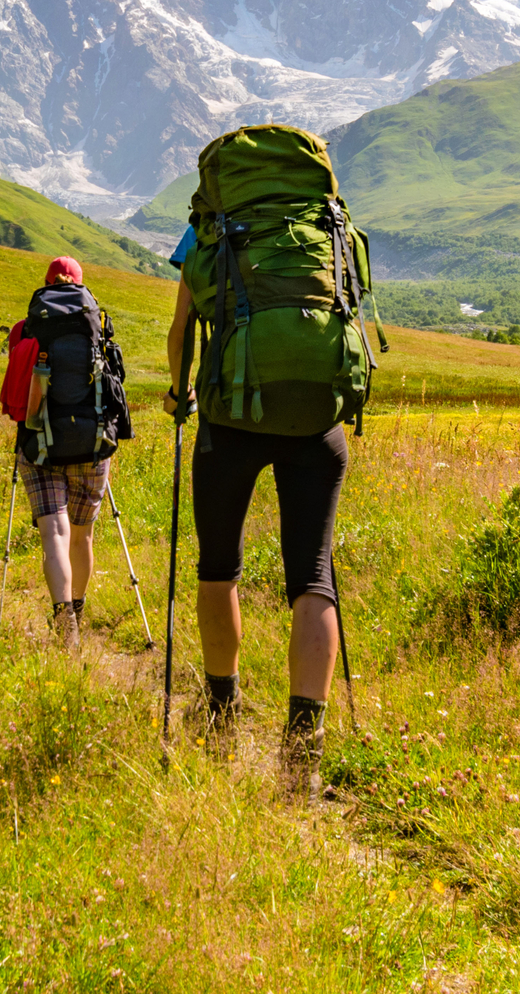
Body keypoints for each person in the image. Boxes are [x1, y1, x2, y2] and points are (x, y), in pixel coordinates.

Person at [162, 125, 377, 796]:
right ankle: (302, 752)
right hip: (317, 418)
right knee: (312, 575)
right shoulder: (328, 225)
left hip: (229, 417)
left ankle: (222, 714)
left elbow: (180, 330)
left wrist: (179, 392)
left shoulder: (209, 227)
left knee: (217, 564)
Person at [4, 256, 130, 644]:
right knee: (82, 534)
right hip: (92, 445)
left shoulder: (25, 329)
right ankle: (78, 607)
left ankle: (65, 624)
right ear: (80, 286)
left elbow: (18, 381)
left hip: (40, 447)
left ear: (46, 285)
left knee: (53, 532)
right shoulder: (98, 327)